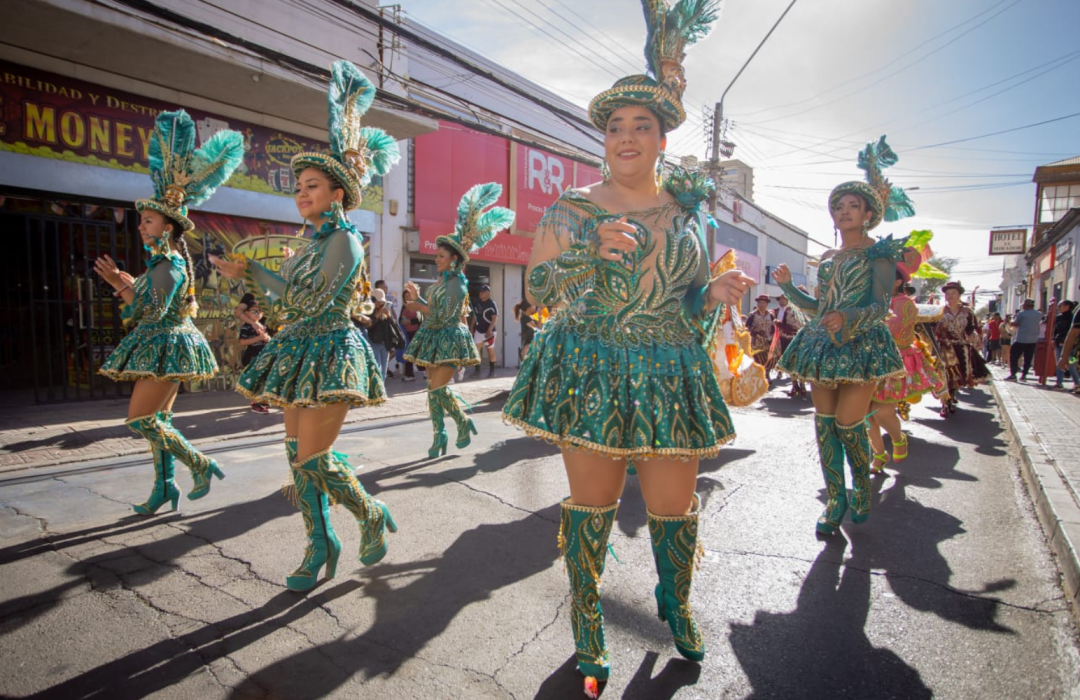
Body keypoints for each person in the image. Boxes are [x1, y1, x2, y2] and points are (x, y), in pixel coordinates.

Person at [503, 1, 752, 685]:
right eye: (616, 126)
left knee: (674, 505)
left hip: (669, 367)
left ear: (664, 140)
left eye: (643, 125)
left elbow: (693, 298)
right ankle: (587, 617)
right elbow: (541, 291)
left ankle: (676, 599)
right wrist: (590, 250)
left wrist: (716, 297)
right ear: (604, 139)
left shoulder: (689, 215)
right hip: (591, 364)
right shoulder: (572, 208)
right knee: (593, 505)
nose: (627, 136)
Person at [210, 61, 400, 591]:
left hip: (331, 349)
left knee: (315, 459)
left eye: (311, 185)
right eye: (297, 186)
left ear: (338, 193)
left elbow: (310, 300)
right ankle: (320, 543)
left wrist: (258, 271)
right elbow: (282, 304)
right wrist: (246, 277)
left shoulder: (345, 240)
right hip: (297, 350)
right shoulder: (307, 246)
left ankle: (368, 512)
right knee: (298, 462)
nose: (301, 193)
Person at [94, 110, 243, 515]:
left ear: (168, 225)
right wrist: (129, 282)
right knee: (159, 422)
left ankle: (200, 464)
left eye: (147, 220)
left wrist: (120, 285)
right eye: (141, 221)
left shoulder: (168, 262)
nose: (141, 226)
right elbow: (151, 302)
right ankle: (165, 487)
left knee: (142, 420)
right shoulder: (165, 262)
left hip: (166, 342)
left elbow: (152, 311)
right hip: (167, 343)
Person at [774, 135, 917, 536]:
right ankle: (835, 499)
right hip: (823, 347)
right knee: (824, 426)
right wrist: (787, 287)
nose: (843, 212)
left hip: (863, 346)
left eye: (852, 206)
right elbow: (818, 307)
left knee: (849, 423)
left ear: (869, 212)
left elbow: (879, 306)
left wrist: (846, 316)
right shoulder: (829, 258)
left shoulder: (879, 254)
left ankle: (861, 488)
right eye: (838, 206)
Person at [404, 183, 513, 457]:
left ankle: (463, 422)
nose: (436, 259)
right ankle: (439, 434)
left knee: (438, 390)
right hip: (434, 338)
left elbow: (444, 315)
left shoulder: (457, 286)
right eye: (436, 255)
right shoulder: (442, 283)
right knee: (432, 390)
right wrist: (419, 298)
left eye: (441, 256)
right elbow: (433, 310)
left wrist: (419, 304)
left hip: (450, 339)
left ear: (454, 259)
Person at [867, 269, 948, 472]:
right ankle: (878, 455)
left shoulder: (906, 303)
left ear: (898, 281)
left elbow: (894, 330)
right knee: (865, 414)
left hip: (893, 362)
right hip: (867, 361)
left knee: (882, 411)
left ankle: (898, 439)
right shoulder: (871, 301)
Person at [934, 281, 990, 413]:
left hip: (961, 348)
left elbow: (970, 330)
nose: (950, 296)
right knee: (946, 376)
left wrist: (975, 343)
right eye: (948, 294)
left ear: (959, 295)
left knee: (959, 378)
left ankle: (951, 396)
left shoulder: (967, 312)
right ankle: (946, 403)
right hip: (944, 348)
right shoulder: (939, 311)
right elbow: (933, 330)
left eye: (953, 293)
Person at [237, 293, 272, 412]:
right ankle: (255, 401)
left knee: (264, 377)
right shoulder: (246, 327)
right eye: (253, 311)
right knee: (255, 378)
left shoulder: (265, 326)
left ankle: (263, 399)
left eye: (259, 311)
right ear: (247, 313)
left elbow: (269, 338)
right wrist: (259, 338)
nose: (257, 314)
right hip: (253, 356)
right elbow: (243, 342)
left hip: (264, 354)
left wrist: (267, 339)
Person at [773, 294, 806, 397]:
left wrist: (779, 324)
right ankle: (796, 385)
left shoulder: (794, 310)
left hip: (796, 338)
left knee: (797, 362)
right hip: (789, 339)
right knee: (794, 362)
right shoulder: (787, 310)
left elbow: (792, 325)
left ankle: (800, 385)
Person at [1007, 298, 1041, 381]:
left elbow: (1015, 323)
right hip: (1033, 339)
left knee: (1014, 356)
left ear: (1025, 306)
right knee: (1028, 358)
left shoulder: (1022, 314)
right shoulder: (1039, 314)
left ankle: (1013, 374)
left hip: (1022, 339)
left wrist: (1010, 321)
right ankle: (1024, 375)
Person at [473, 284, 499, 378]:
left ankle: (492, 371)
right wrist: (472, 327)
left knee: (490, 350)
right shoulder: (478, 303)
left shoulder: (491, 303)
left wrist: (490, 329)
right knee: (476, 350)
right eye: (480, 291)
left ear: (488, 293)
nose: (480, 293)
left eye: (482, 291)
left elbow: (495, 317)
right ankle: (477, 371)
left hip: (489, 332)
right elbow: (475, 316)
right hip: (479, 330)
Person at [1053, 300, 1080, 389]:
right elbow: (1056, 330)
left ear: (1067, 306)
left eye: (1061, 305)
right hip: (1062, 343)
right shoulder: (1059, 318)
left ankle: (1077, 382)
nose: (1058, 307)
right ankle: (1059, 382)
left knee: (1071, 363)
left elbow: (1073, 334)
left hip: (1072, 347)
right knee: (1060, 363)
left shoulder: (1072, 315)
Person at [747, 295, 775, 379]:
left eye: (763, 303)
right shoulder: (752, 315)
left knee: (768, 358)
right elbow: (746, 327)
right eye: (760, 303)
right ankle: (759, 375)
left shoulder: (771, 315)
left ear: (767, 304)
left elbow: (774, 328)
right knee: (758, 358)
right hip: (756, 342)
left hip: (768, 340)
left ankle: (767, 374)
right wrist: (754, 329)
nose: (761, 304)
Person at [399, 285, 423, 382]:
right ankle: (409, 374)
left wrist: (409, 321)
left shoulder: (416, 305)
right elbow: (401, 319)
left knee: (417, 353)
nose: (408, 298)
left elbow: (420, 318)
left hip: (416, 333)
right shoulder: (404, 307)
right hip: (407, 333)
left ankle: (424, 371)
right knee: (409, 353)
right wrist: (403, 321)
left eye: (409, 295)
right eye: (406, 296)